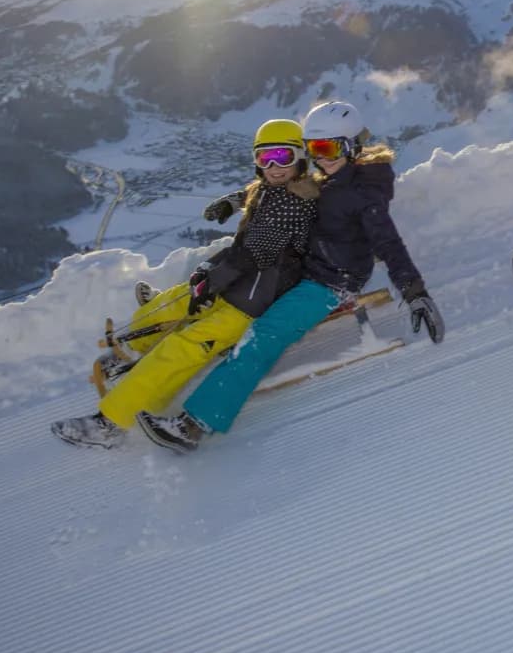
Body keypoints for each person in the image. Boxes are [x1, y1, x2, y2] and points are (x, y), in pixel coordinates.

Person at [135, 101, 444, 453]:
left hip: (329, 282)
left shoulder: (363, 195)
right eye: (314, 149)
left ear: (352, 146)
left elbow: (389, 245)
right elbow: (284, 187)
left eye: (329, 149)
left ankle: (194, 425)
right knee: (237, 279)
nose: (321, 159)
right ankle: (171, 314)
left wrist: (414, 291)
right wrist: (236, 200)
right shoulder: (331, 177)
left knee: (262, 337)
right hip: (302, 266)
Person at [50, 119, 319, 449]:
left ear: (300, 157)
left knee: (182, 348)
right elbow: (261, 192)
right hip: (239, 282)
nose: (274, 166)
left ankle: (110, 424)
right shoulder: (278, 187)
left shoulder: (294, 204)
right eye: (265, 158)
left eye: (283, 157)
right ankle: (132, 351)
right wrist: (233, 201)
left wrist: (209, 282)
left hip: (253, 301)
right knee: (173, 301)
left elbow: (250, 255)